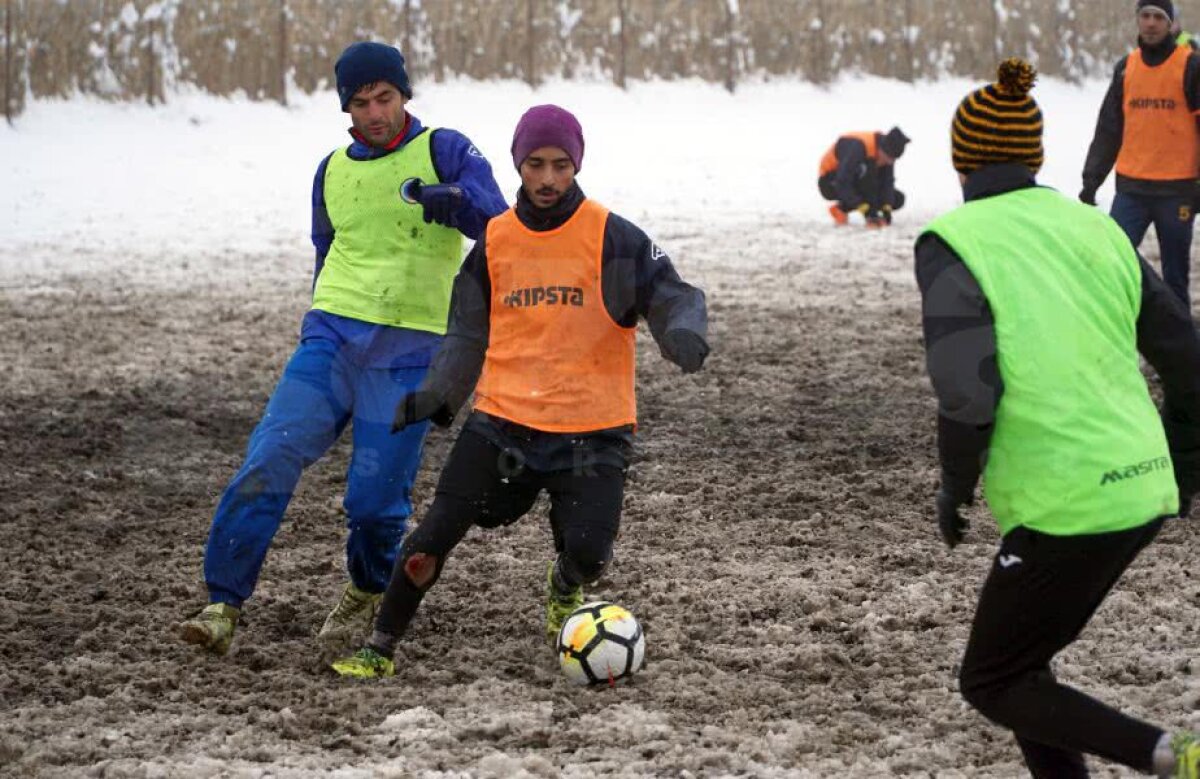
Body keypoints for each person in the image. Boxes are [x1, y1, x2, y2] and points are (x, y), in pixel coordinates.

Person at [329, 103, 710, 679]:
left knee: (589, 554)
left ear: (576, 165)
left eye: (560, 164)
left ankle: (563, 583)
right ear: (519, 165)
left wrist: (681, 331)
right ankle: (379, 649)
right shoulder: (496, 242)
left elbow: (672, 293)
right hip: (503, 424)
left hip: (593, 430)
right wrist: (439, 393)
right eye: (536, 164)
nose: (549, 178)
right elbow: (467, 331)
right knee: (430, 540)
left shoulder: (613, 237)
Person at [917, 57, 1200, 778]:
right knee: (1024, 670)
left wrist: (955, 485)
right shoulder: (1098, 229)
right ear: (1035, 155)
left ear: (962, 160)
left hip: (1066, 500)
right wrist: (1183, 460)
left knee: (993, 679)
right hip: (1141, 487)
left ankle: (1171, 754)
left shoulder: (955, 240)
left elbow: (967, 392)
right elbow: (1186, 355)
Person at [178, 41, 508, 656]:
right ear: (346, 108)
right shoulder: (331, 170)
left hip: (412, 349)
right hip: (332, 338)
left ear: (404, 95)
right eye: (361, 102)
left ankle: (364, 588)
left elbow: (500, 221)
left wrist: (457, 202)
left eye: (385, 98)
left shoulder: (445, 149)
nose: (375, 112)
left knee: (375, 500)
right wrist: (320, 323)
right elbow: (326, 251)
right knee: (268, 456)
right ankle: (222, 601)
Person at [1081, 0, 1200, 310]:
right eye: (1145, 16)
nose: (1150, 23)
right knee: (1112, 261)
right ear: (1137, 21)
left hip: (1177, 191)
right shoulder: (1126, 68)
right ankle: (1121, 325)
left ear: (1171, 24)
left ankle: (1182, 351)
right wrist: (1092, 178)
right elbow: (1109, 128)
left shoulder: (1191, 66)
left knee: (1175, 276)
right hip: (1132, 189)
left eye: (1158, 17)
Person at [818, 126, 909, 228]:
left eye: (893, 160)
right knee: (868, 180)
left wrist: (886, 210)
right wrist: (867, 211)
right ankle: (843, 209)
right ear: (881, 150)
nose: (889, 162)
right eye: (888, 159)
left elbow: (887, 183)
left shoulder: (887, 152)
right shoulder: (859, 147)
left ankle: (842, 208)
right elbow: (843, 182)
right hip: (830, 182)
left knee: (897, 199)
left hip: (857, 179)